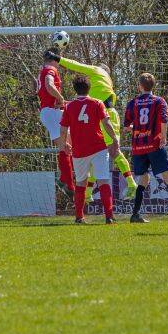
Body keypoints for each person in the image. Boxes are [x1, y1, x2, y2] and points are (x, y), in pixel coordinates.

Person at [44, 50, 138, 200]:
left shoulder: (97, 70)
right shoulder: (102, 85)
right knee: (97, 154)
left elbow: (76, 65)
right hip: (104, 115)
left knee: (114, 151)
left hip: (106, 115)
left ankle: (132, 184)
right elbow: (87, 103)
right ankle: (88, 193)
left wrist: (57, 58)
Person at [59, 75, 120, 224]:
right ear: (89, 88)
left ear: (75, 89)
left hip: (79, 151)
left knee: (80, 183)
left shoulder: (69, 106)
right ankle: (109, 217)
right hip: (98, 148)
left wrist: (64, 143)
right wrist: (114, 139)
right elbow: (106, 123)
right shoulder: (97, 103)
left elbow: (63, 129)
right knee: (103, 181)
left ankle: (79, 217)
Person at [123, 73, 168, 223]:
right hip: (155, 144)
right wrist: (163, 136)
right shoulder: (159, 101)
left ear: (140, 86)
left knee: (143, 178)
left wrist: (135, 128)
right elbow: (164, 120)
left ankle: (135, 214)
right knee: (167, 177)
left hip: (139, 146)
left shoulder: (133, 102)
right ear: (152, 86)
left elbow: (126, 127)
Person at [37, 50, 75, 197]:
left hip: (51, 112)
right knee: (65, 147)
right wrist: (60, 97)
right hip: (51, 112)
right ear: (55, 59)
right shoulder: (50, 69)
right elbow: (48, 84)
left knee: (69, 145)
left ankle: (63, 179)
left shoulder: (44, 69)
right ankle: (69, 184)